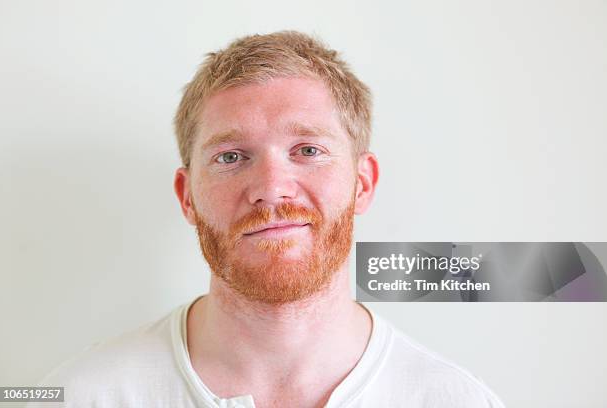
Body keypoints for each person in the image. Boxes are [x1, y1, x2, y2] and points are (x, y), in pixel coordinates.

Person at [29, 31, 505, 408]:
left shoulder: (455, 400)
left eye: (308, 150)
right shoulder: (79, 397)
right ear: (187, 195)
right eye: (232, 156)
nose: (271, 187)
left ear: (363, 183)